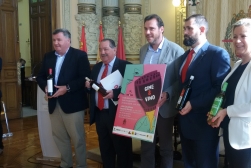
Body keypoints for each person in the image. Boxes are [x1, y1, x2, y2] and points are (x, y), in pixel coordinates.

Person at [210, 18, 251, 168]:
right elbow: (230, 96)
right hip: (233, 135)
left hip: (250, 140)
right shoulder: (238, 64)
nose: (237, 41)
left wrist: (227, 111)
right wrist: (218, 111)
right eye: (234, 36)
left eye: (243, 36)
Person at [178, 14, 231, 168]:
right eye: (184, 28)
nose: (185, 32)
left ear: (201, 29)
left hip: (204, 124)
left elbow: (220, 88)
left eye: (189, 28)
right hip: (185, 123)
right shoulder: (185, 56)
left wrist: (193, 104)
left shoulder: (217, 54)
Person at [36, 28, 91, 168]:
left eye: (59, 40)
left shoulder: (79, 55)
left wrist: (66, 88)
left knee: (78, 139)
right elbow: (41, 76)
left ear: (68, 40)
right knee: (60, 137)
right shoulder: (48, 56)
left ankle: (81, 165)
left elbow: (84, 78)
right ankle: (66, 164)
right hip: (54, 104)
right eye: (54, 40)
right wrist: (45, 87)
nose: (56, 43)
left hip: (73, 104)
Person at [139, 14, 184, 168]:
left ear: (161, 29)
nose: (147, 32)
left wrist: (168, 94)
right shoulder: (143, 50)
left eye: (151, 28)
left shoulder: (176, 50)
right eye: (145, 29)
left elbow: (181, 81)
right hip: (145, 107)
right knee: (146, 148)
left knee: (165, 148)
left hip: (164, 107)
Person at [86, 38, 133, 168]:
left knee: (123, 152)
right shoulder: (96, 68)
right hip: (101, 115)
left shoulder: (126, 66)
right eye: (100, 49)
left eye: (106, 49)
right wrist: (89, 87)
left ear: (114, 49)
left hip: (119, 116)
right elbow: (94, 90)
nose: (102, 52)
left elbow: (133, 88)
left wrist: (116, 93)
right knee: (105, 151)